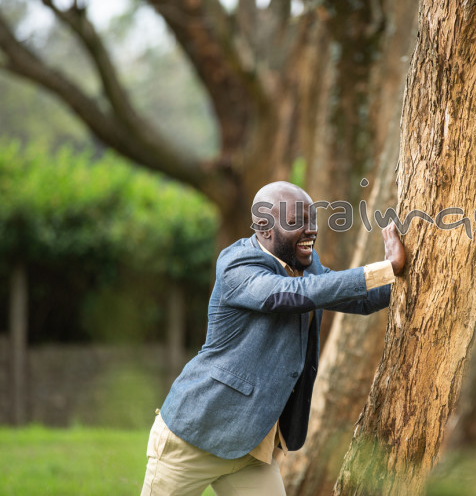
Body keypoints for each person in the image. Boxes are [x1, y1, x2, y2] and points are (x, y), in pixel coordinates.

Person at [141, 181, 405, 496]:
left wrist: (402, 275)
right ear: (265, 228)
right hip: (195, 436)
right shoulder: (238, 264)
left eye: (312, 220)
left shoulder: (306, 264)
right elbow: (289, 295)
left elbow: (356, 299)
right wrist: (383, 268)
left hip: (250, 447)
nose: (311, 230)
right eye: (296, 221)